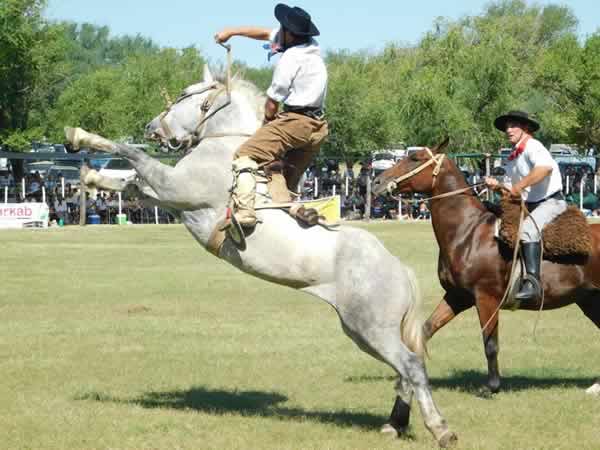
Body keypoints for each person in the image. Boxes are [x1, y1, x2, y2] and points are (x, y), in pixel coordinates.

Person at [214, 4, 328, 227]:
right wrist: (232, 31)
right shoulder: (311, 46)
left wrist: (267, 124)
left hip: (296, 122)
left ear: (291, 34)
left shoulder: (290, 58)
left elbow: (273, 102)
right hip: (319, 126)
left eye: (283, 28)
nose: (277, 31)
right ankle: (293, 209)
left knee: (245, 155)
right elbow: (265, 33)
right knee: (277, 170)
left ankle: (245, 212)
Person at [485, 110, 567, 304]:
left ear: (526, 128)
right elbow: (511, 192)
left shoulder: (533, 146)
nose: (508, 130)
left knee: (528, 231)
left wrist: (518, 186)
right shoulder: (512, 158)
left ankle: (532, 284)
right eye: (506, 126)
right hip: (528, 205)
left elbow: (544, 169)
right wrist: (497, 187)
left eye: (513, 125)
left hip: (551, 202)